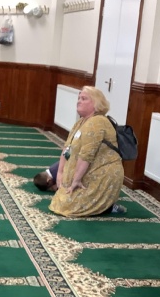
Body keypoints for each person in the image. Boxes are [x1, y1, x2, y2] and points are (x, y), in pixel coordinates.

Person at [49, 86, 126, 217]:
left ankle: (107, 206)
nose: (79, 101)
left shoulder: (97, 122)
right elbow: (67, 148)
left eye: (84, 99)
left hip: (100, 175)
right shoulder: (81, 122)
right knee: (59, 203)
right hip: (86, 173)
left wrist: (76, 180)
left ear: (96, 103)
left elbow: (86, 155)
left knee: (67, 206)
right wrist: (60, 173)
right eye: (79, 98)